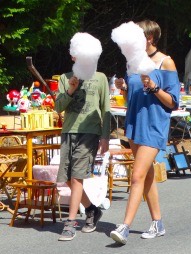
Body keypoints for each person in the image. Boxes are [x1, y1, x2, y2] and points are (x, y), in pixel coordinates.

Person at [110, 20, 180, 245]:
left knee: (137, 175)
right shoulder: (133, 61)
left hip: (154, 125)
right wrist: (124, 87)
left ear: (149, 38)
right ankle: (157, 223)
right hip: (134, 123)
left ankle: (125, 227)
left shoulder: (165, 62)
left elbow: (173, 102)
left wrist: (155, 88)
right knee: (147, 175)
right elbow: (135, 92)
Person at [55, 32, 110, 241]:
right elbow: (58, 107)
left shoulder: (101, 78)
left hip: (90, 131)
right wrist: (70, 89)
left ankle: (70, 223)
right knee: (68, 178)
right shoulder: (65, 78)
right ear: (73, 56)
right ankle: (92, 210)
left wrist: (105, 137)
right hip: (69, 131)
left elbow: (106, 109)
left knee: (77, 177)